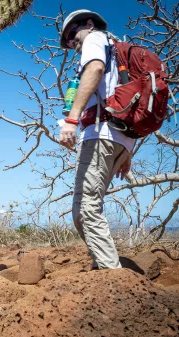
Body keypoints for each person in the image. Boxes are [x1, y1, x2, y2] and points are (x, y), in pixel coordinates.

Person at [59, 10, 135, 269]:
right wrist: (127, 150)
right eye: (69, 42)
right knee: (84, 211)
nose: (72, 43)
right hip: (119, 138)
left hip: (100, 134)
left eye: (71, 35)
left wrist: (72, 118)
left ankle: (113, 278)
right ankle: (104, 265)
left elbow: (95, 68)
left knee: (86, 211)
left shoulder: (94, 38)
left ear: (88, 24)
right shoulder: (115, 47)